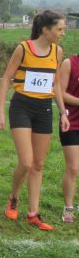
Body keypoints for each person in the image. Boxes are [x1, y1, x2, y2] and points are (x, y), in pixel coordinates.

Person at [0, 10, 69, 231]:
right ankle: (14, 196)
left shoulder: (57, 52)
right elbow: (7, 78)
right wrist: (0, 109)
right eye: (59, 29)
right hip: (21, 107)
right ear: (45, 30)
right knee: (26, 162)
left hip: (44, 109)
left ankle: (33, 214)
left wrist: (63, 111)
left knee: (38, 164)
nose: (62, 33)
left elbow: (55, 84)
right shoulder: (24, 48)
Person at [59, 52, 79, 223]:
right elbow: (60, 92)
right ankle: (68, 208)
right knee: (73, 167)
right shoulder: (69, 63)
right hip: (71, 122)